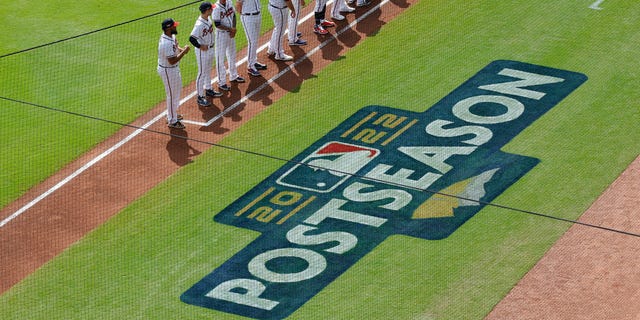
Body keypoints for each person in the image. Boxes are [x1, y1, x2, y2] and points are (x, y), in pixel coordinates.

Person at [157, 18, 190, 129]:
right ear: (168, 28)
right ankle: (172, 120)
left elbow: (175, 48)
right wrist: (184, 52)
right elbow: (172, 61)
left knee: (177, 91)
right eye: (173, 26)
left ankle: (172, 114)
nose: (176, 27)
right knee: (171, 95)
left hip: (173, 69)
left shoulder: (171, 37)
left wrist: (181, 49)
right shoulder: (165, 43)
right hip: (167, 70)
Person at [189, 2, 222, 108]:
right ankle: (199, 96)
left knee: (207, 70)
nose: (213, 10)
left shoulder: (208, 19)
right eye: (211, 9)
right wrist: (200, 46)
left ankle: (208, 89)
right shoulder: (199, 25)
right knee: (202, 73)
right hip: (202, 52)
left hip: (210, 48)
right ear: (207, 10)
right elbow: (191, 38)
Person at [213, 0, 246, 91]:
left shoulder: (229, 2)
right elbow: (217, 24)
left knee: (232, 55)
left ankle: (234, 76)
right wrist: (230, 29)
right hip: (221, 35)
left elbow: (234, 15)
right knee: (220, 59)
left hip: (231, 34)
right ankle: (221, 82)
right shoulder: (216, 8)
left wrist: (234, 28)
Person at [236, 0, 268, 77]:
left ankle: (254, 61)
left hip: (257, 16)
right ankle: (250, 66)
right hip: (248, 18)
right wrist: (243, 14)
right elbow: (238, 4)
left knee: (256, 40)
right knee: (252, 42)